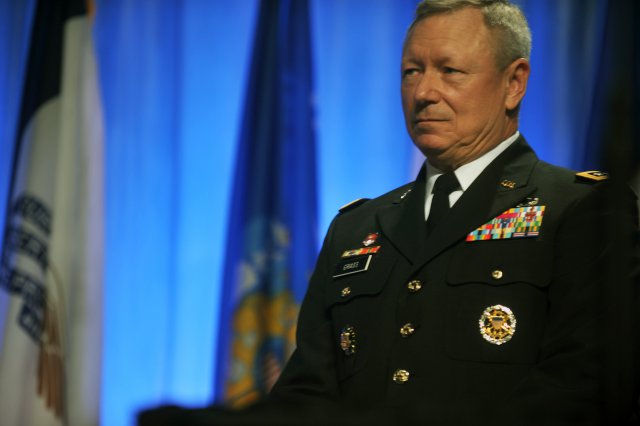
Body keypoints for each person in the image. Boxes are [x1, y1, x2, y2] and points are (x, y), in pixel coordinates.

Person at [138, 0, 638, 424]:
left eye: (450, 71)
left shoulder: (582, 210)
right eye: (411, 72)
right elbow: (308, 392)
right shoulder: (357, 227)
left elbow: (584, 386)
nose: (424, 93)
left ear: (514, 83)